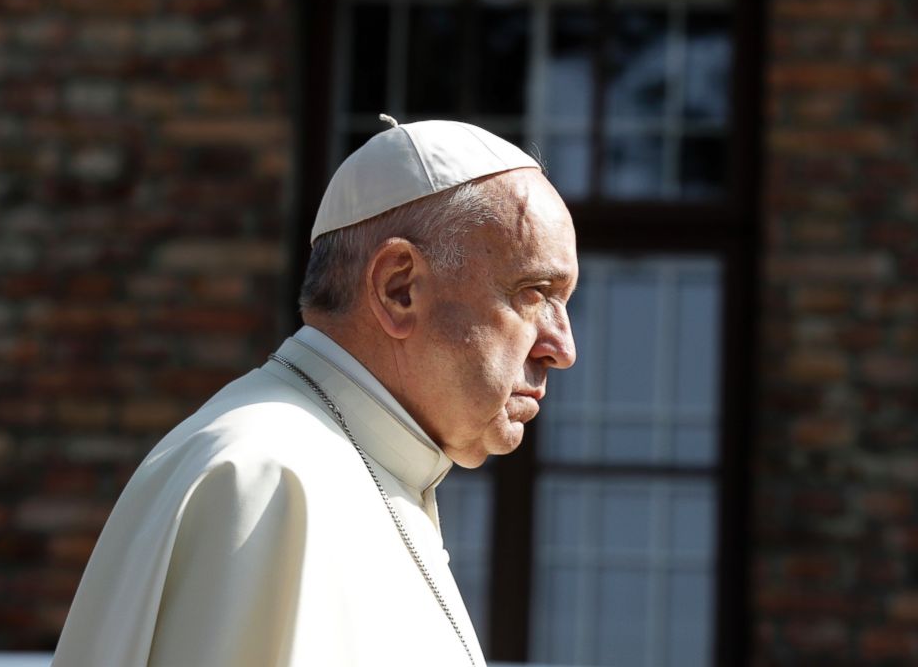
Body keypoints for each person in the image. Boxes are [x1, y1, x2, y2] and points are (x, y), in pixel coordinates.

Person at [52, 116, 578, 667]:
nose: (562, 348)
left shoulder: (365, 468)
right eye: (535, 293)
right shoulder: (263, 479)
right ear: (400, 288)